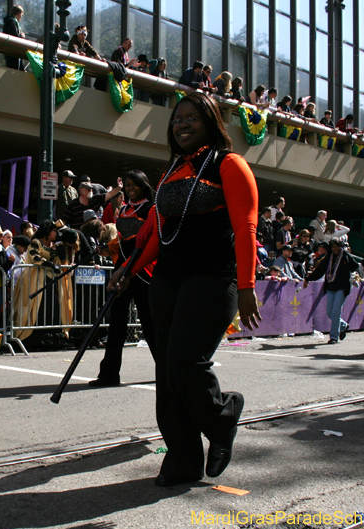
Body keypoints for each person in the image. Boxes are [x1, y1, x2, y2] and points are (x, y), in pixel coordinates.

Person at [110, 92, 259, 486]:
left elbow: (245, 227)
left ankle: (223, 416)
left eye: (192, 118)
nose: (183, 125)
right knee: (168, 374)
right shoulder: (173, 171)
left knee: (184, 363)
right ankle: (183, 457)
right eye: (177, 119)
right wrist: (129, 267)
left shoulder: (230, 164)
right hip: (168, 279)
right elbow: (158, 234)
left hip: (213, 276)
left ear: (210, 122)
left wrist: (247, 286)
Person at [90, 170, 156, 387]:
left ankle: (167, 370)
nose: (130, 188)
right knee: (116, 321)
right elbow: (123, 241)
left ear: (143, 185)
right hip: (122, 269)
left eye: (134, 184)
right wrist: (108, 248)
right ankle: (109, 374)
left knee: (149, 322)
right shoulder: (125, 209)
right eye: (127, 185)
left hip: (142, 270)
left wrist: (131, 267)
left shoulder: (150, 208)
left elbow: (148, 241)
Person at [304, 238, 359, 344]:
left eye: (337, 246)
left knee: (336, 311)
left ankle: (334, 337)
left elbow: (356, 267)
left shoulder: (346, 256)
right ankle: (343, 326)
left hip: (342, 287)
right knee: (330, 312)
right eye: (333, 247)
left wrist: (355, 275)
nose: (336, 249)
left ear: (341, 246)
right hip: (330, 287)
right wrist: (308, 278)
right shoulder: (329, 257)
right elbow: (320, 270)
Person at [2, 5, 25, 70]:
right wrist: (21, 35)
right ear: (19, 13)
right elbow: (14, 35)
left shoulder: (9, 21)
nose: (21, 17)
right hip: (12, 51)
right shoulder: (12, 21)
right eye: (21, 15)